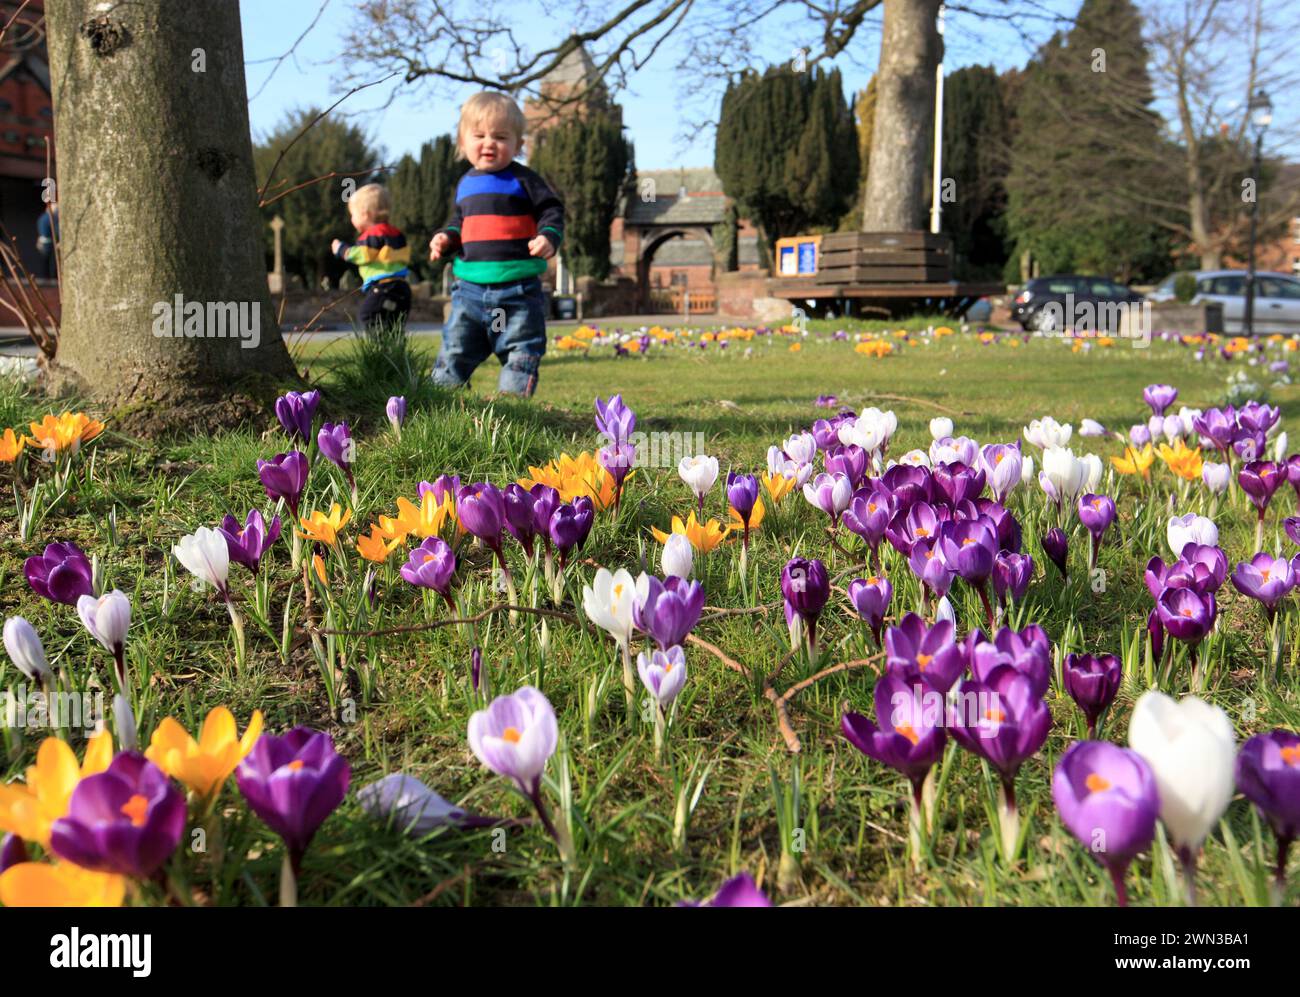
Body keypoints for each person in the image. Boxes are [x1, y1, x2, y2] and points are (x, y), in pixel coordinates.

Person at [429, 91, 564, 397]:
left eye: (501, 136)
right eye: (479, 135)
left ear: (518, 145)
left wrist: (548, 236)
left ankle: (511, 410)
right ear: (463, 142)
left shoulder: (525, 179)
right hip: (468, 291)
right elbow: (458, 223)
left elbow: (551, 210)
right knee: (454, 352)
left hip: (519, 290)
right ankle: (440, 405)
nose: (489, 142)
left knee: (520, 353)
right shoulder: (465, 184)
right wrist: (445, 238)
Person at [331, 184, 411, 331]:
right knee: (394, 324)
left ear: (365, 214)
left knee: (368, 315)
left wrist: (341, 249)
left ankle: (379, 349)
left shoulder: (371, 235)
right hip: (402, 289)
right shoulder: (397, 233)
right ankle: (395, 350)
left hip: (383, 287)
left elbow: (363, 255)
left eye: (352, 215)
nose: (351, 219)